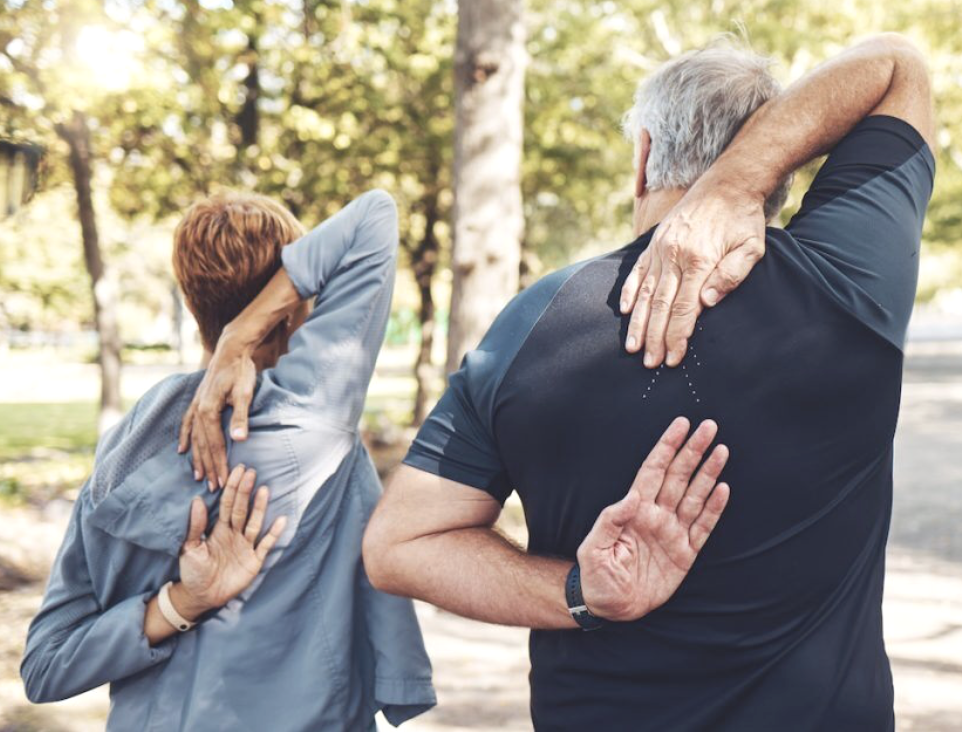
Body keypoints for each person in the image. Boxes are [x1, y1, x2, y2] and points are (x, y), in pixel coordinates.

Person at [362, 33, 935, 730]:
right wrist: (738, 179)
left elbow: (399, 547)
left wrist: (580, 592)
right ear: (786, 165)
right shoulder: (849, 281)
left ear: (642, 156)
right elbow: (896, 64)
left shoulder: (533, 326)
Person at [22, 190, 436, 730]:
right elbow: (374, 217)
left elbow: (47, 664)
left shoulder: (121, 456)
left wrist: (175, 606)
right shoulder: (308, 413)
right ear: (292, 307)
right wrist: (246, 332)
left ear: (192, 302)